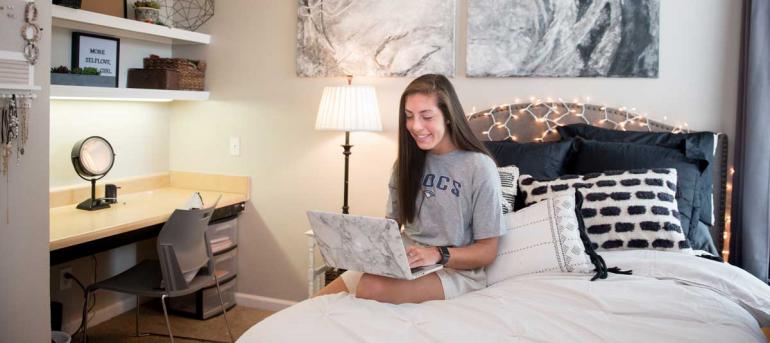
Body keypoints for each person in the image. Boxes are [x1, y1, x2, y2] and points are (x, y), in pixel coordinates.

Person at [316, 74, 505, 304]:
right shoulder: (405, 163)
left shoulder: (479, 167)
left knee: (370, 286)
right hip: (403, 261)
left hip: (452, 271)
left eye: (426, 116)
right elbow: (391, 228)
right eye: (409, 116)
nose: (416, 126)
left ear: (448, 117)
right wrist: (357, 244)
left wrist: (437, 253)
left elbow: (487, 251)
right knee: (317, 300)